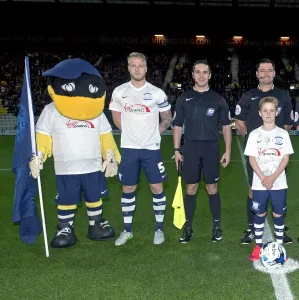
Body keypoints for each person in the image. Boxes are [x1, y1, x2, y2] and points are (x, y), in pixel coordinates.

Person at [109, 52, 172, 246]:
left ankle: (159, 229)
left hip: (151, 149)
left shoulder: (157, 93)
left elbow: (167, 118)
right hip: (128, 149)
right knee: (128, 187)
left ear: (146, 68)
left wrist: (157, 132)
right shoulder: (119, 92)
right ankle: (127, 230)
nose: (137, 69)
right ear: (128, 68)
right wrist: (130, 133)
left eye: (140, 66)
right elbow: (116, 117)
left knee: (156, 187)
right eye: (133, 66)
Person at [234, 58, 293, 245]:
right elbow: (239, 121)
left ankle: (280, 231)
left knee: (278, 190)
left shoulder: (283, 95)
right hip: (257, 154)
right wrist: (253, 139)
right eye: (262, 70)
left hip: (276, 154)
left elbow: (288, 122)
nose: (266, 73)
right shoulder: (248, 95)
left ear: (274, 73)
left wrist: (276, 139)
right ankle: (252, 229)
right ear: (257, 74)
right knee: (254, 190)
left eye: (270, 70)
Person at [173, 59, 232, 243]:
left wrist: (228, 150)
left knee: (211, 188)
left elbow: (226, 126)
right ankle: (188, 227)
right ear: (192, 75)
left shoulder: (218, 99)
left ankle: (216, 227)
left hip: (211, 147)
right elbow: (176, 125)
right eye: (197, 72)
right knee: (190, 188)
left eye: (204, 72)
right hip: (190, 147)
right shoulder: (184, 98)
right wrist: (176, 149)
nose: (201, 75)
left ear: (209, 75)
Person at [244, 96, 293, 261]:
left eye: (272, 110)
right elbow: (252, 159)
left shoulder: (283, 134)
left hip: (278, 183)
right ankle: (258, 246)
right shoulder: (254, 134)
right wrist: (264, 177)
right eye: (265, 110)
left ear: (277, 112)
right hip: (259, 183)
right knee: (260, 213)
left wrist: (272, 177)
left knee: (278, 214)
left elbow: (285, 158)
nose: (268, 113)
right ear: (259, 113)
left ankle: (279, 246)